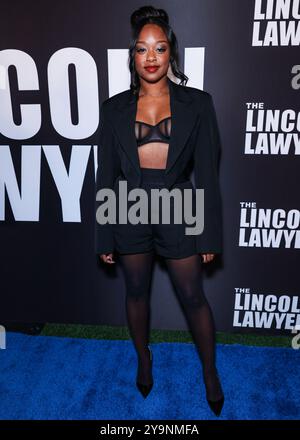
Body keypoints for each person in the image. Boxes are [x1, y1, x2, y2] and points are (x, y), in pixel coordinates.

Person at [95, 5, 224, 416]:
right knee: (136, 292)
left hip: (179, 206)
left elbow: (207, 172)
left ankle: (209, 372)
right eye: (142, 49)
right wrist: (104, 233)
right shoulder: (114, 107)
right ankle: (143, 358)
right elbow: (106, 174)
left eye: (160, 48)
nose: (151, 57)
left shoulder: (198, 104)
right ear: (132, 55)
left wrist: (208, 234)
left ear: (171, 54)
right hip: (129, 206)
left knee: (193, 296)